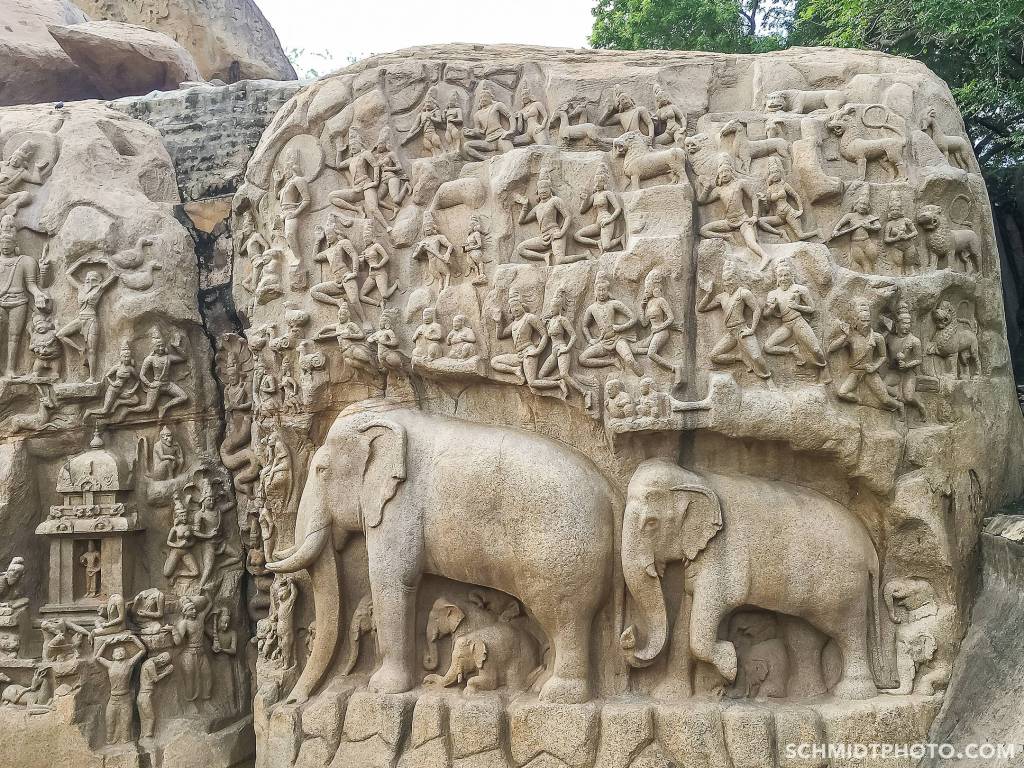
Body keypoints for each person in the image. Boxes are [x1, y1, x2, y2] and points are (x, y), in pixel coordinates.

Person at [696, 259, 772, 380]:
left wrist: (752, 329)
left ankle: (768, 377)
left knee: (757, 357)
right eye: (726, 280)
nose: (728, 283)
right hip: (731, 333)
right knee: (714, 356)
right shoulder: (721, 297)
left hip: (742, 330)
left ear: (736, 278)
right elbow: (701, 309)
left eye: (731, 279)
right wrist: (708, 294)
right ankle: (740, 357)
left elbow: (756, 309)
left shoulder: (743, 293)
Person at [0, 214, 48, 378]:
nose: (5, 247)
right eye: (2, 244)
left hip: (18, 301)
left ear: (15, 244)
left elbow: (32, 285)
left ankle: (10, 369)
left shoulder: (26, 261)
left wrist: (39, 294)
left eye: (8, 244)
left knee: (14, 337)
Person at [579, 272, 642, 375]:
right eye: (599, 290)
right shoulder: (591, 308)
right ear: (595, 291)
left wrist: (621, 327)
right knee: (582, 359)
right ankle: (612, 362)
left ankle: (643, 378)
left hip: (618, 339)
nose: (601, 293)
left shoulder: (613, 304)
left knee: (630, 360)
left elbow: (633, 317)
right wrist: (590, 339)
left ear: (608, 290)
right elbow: (584, 326)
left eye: (604, 290)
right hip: (603, 342)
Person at [97, 637, 146, 744]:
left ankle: (126, 742)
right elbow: (98, 657)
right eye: (117, 652)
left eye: (122, 651)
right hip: (113, 699)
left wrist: (133, 638)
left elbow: (143, 650)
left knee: (126, 726)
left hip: (125, 698)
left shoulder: (129, 663)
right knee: (110, 723)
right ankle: (111, 740)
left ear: (125, 654)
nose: (119, 653)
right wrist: (105, 643)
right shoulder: (110, 664)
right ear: (113, 656)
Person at [137, 652, 173, 738]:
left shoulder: (150, 661)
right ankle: (148, 736)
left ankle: (143, 735)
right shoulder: (150, 665)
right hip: (145, 695)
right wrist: (166, 672)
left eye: (164, 662)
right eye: (163, 661)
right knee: (151, 717)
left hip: (141, 696)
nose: (162, 663)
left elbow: (153, 674)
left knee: (144, 719)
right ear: (161, 657)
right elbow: (155, 679)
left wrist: (163, 670)